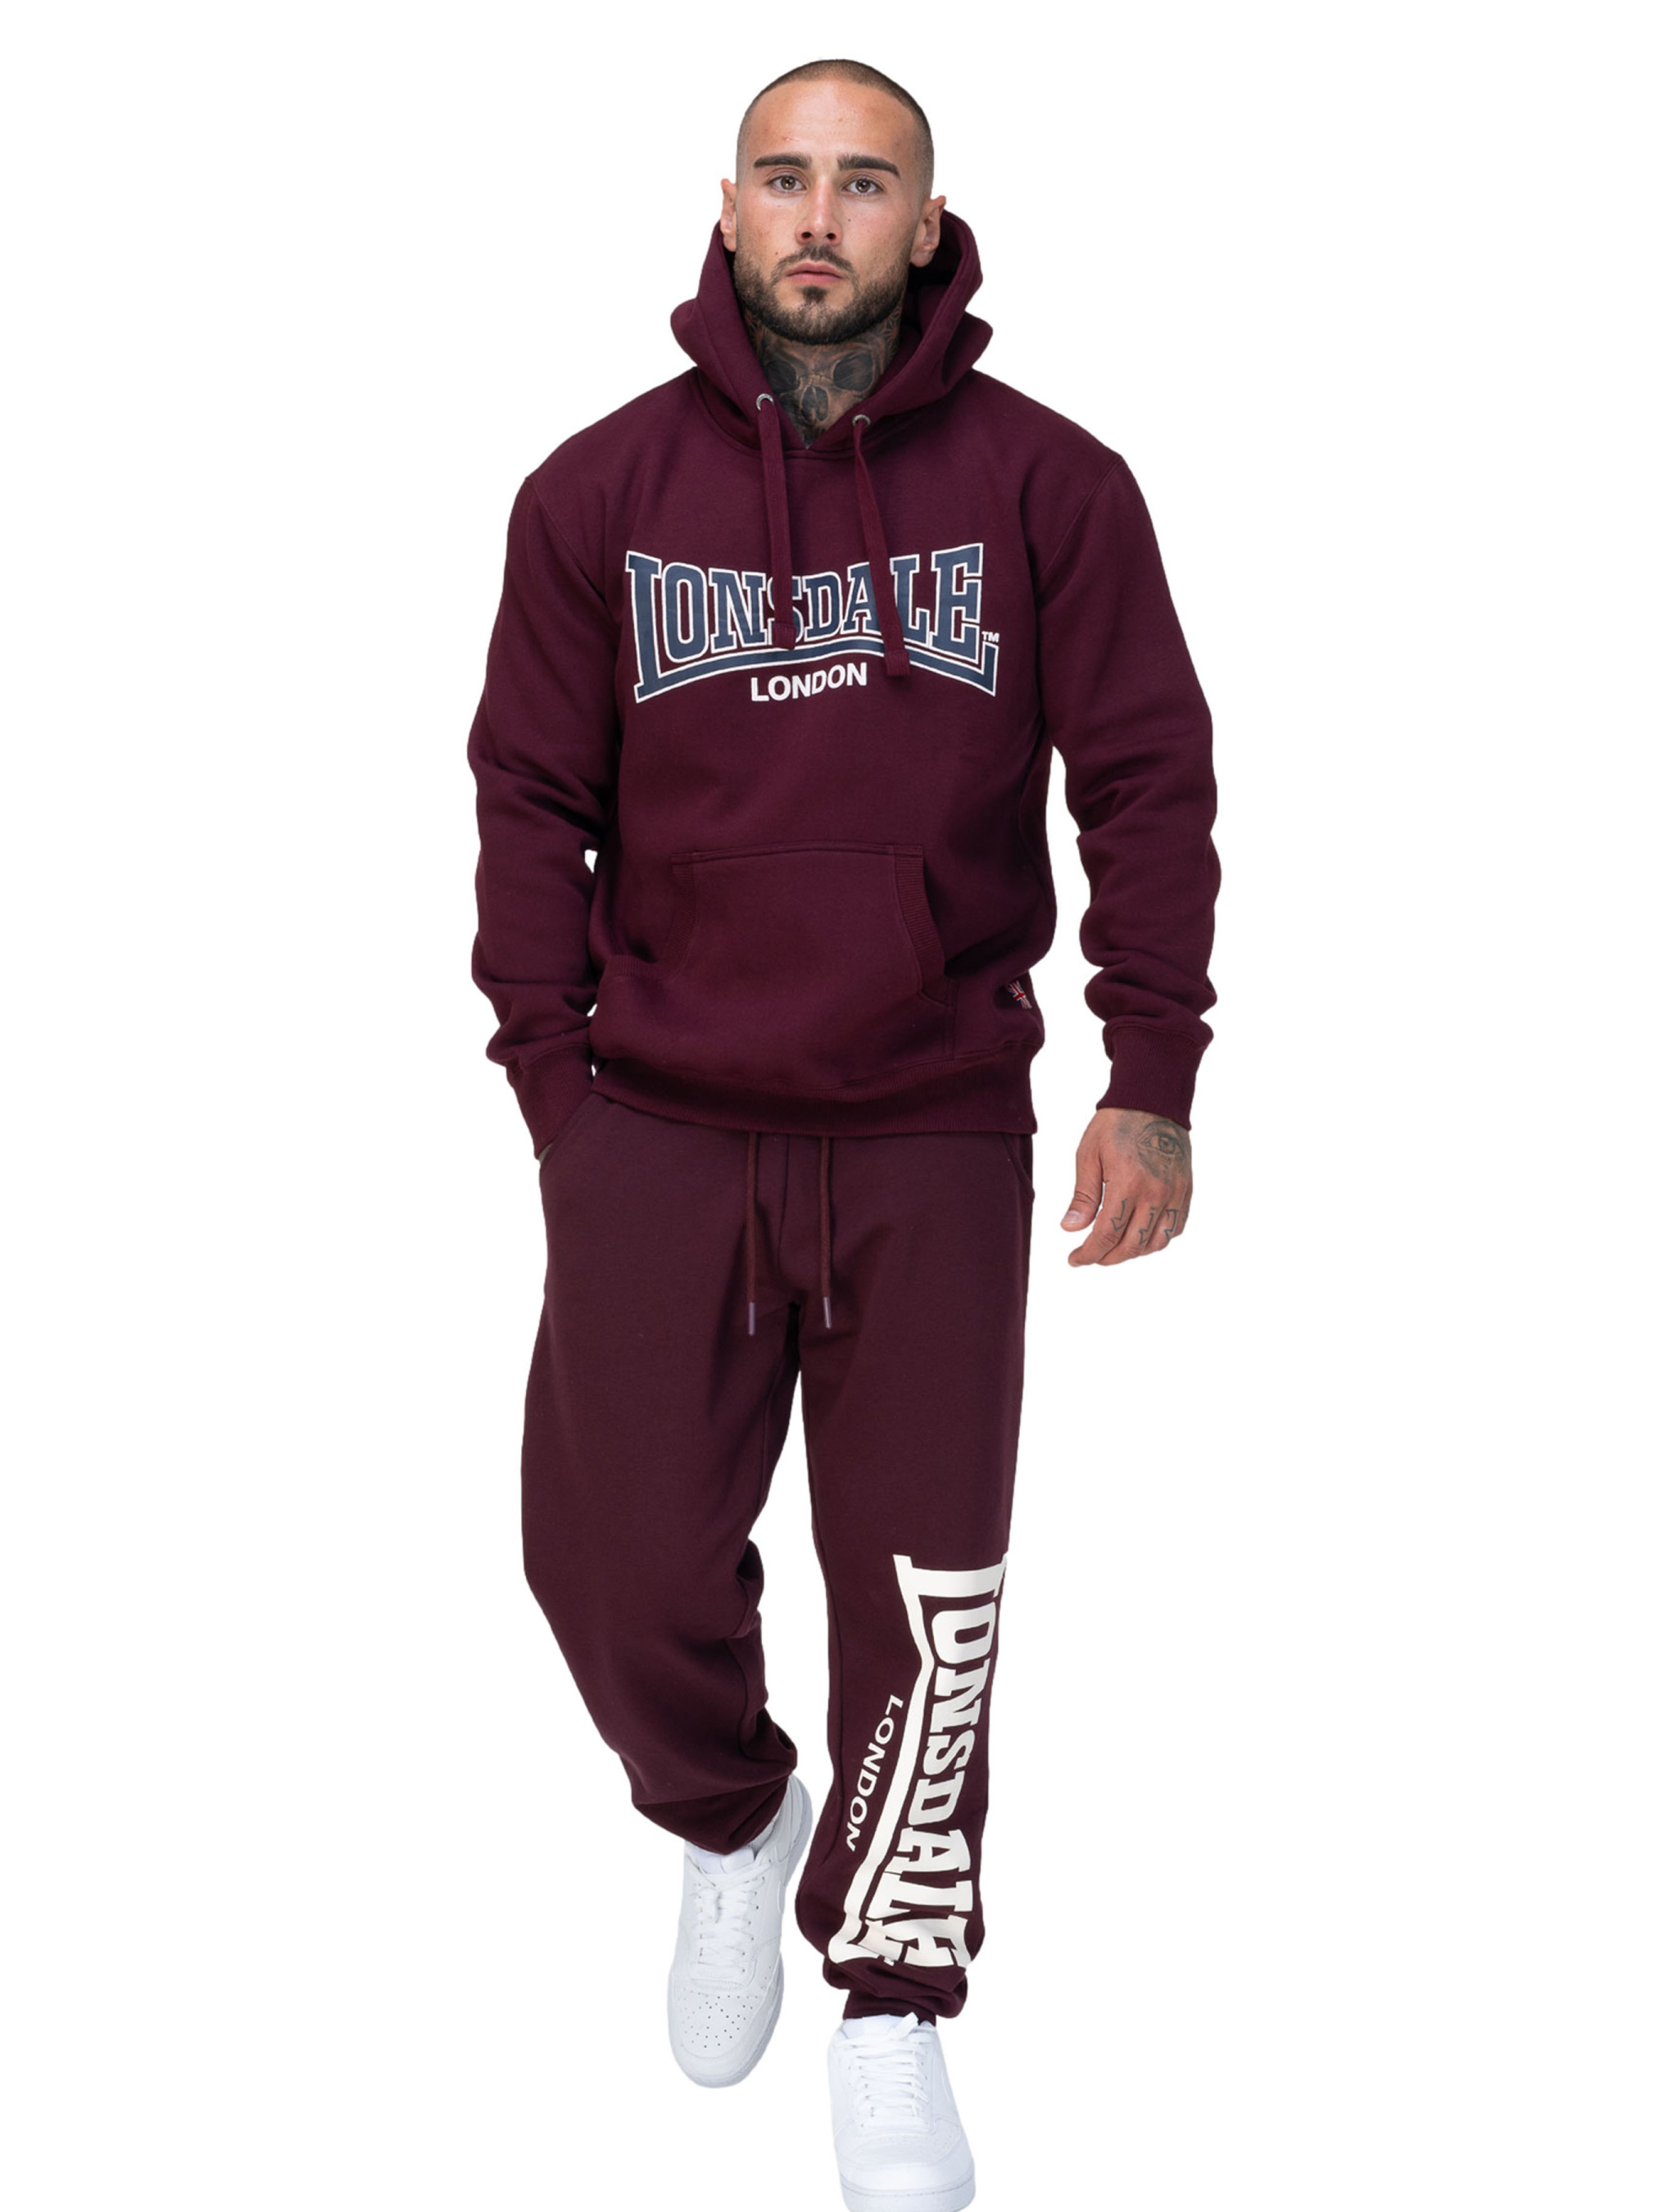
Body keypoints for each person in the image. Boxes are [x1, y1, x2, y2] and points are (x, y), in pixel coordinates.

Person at [467, 57, 1218, 2212]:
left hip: (929, 1126)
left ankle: (893, 1999)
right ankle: (728, 1820)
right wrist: (558, 1087)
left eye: (862, 181)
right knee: (605, 1553)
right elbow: (528, 794)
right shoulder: (595, 493)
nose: (819, 216)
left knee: (924, 1578)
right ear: (726, 208)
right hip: (659, 1117)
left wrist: (1147, 1073)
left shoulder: (1052, 486)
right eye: (784, 178)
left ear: (925, 218)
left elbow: (1145, 779)